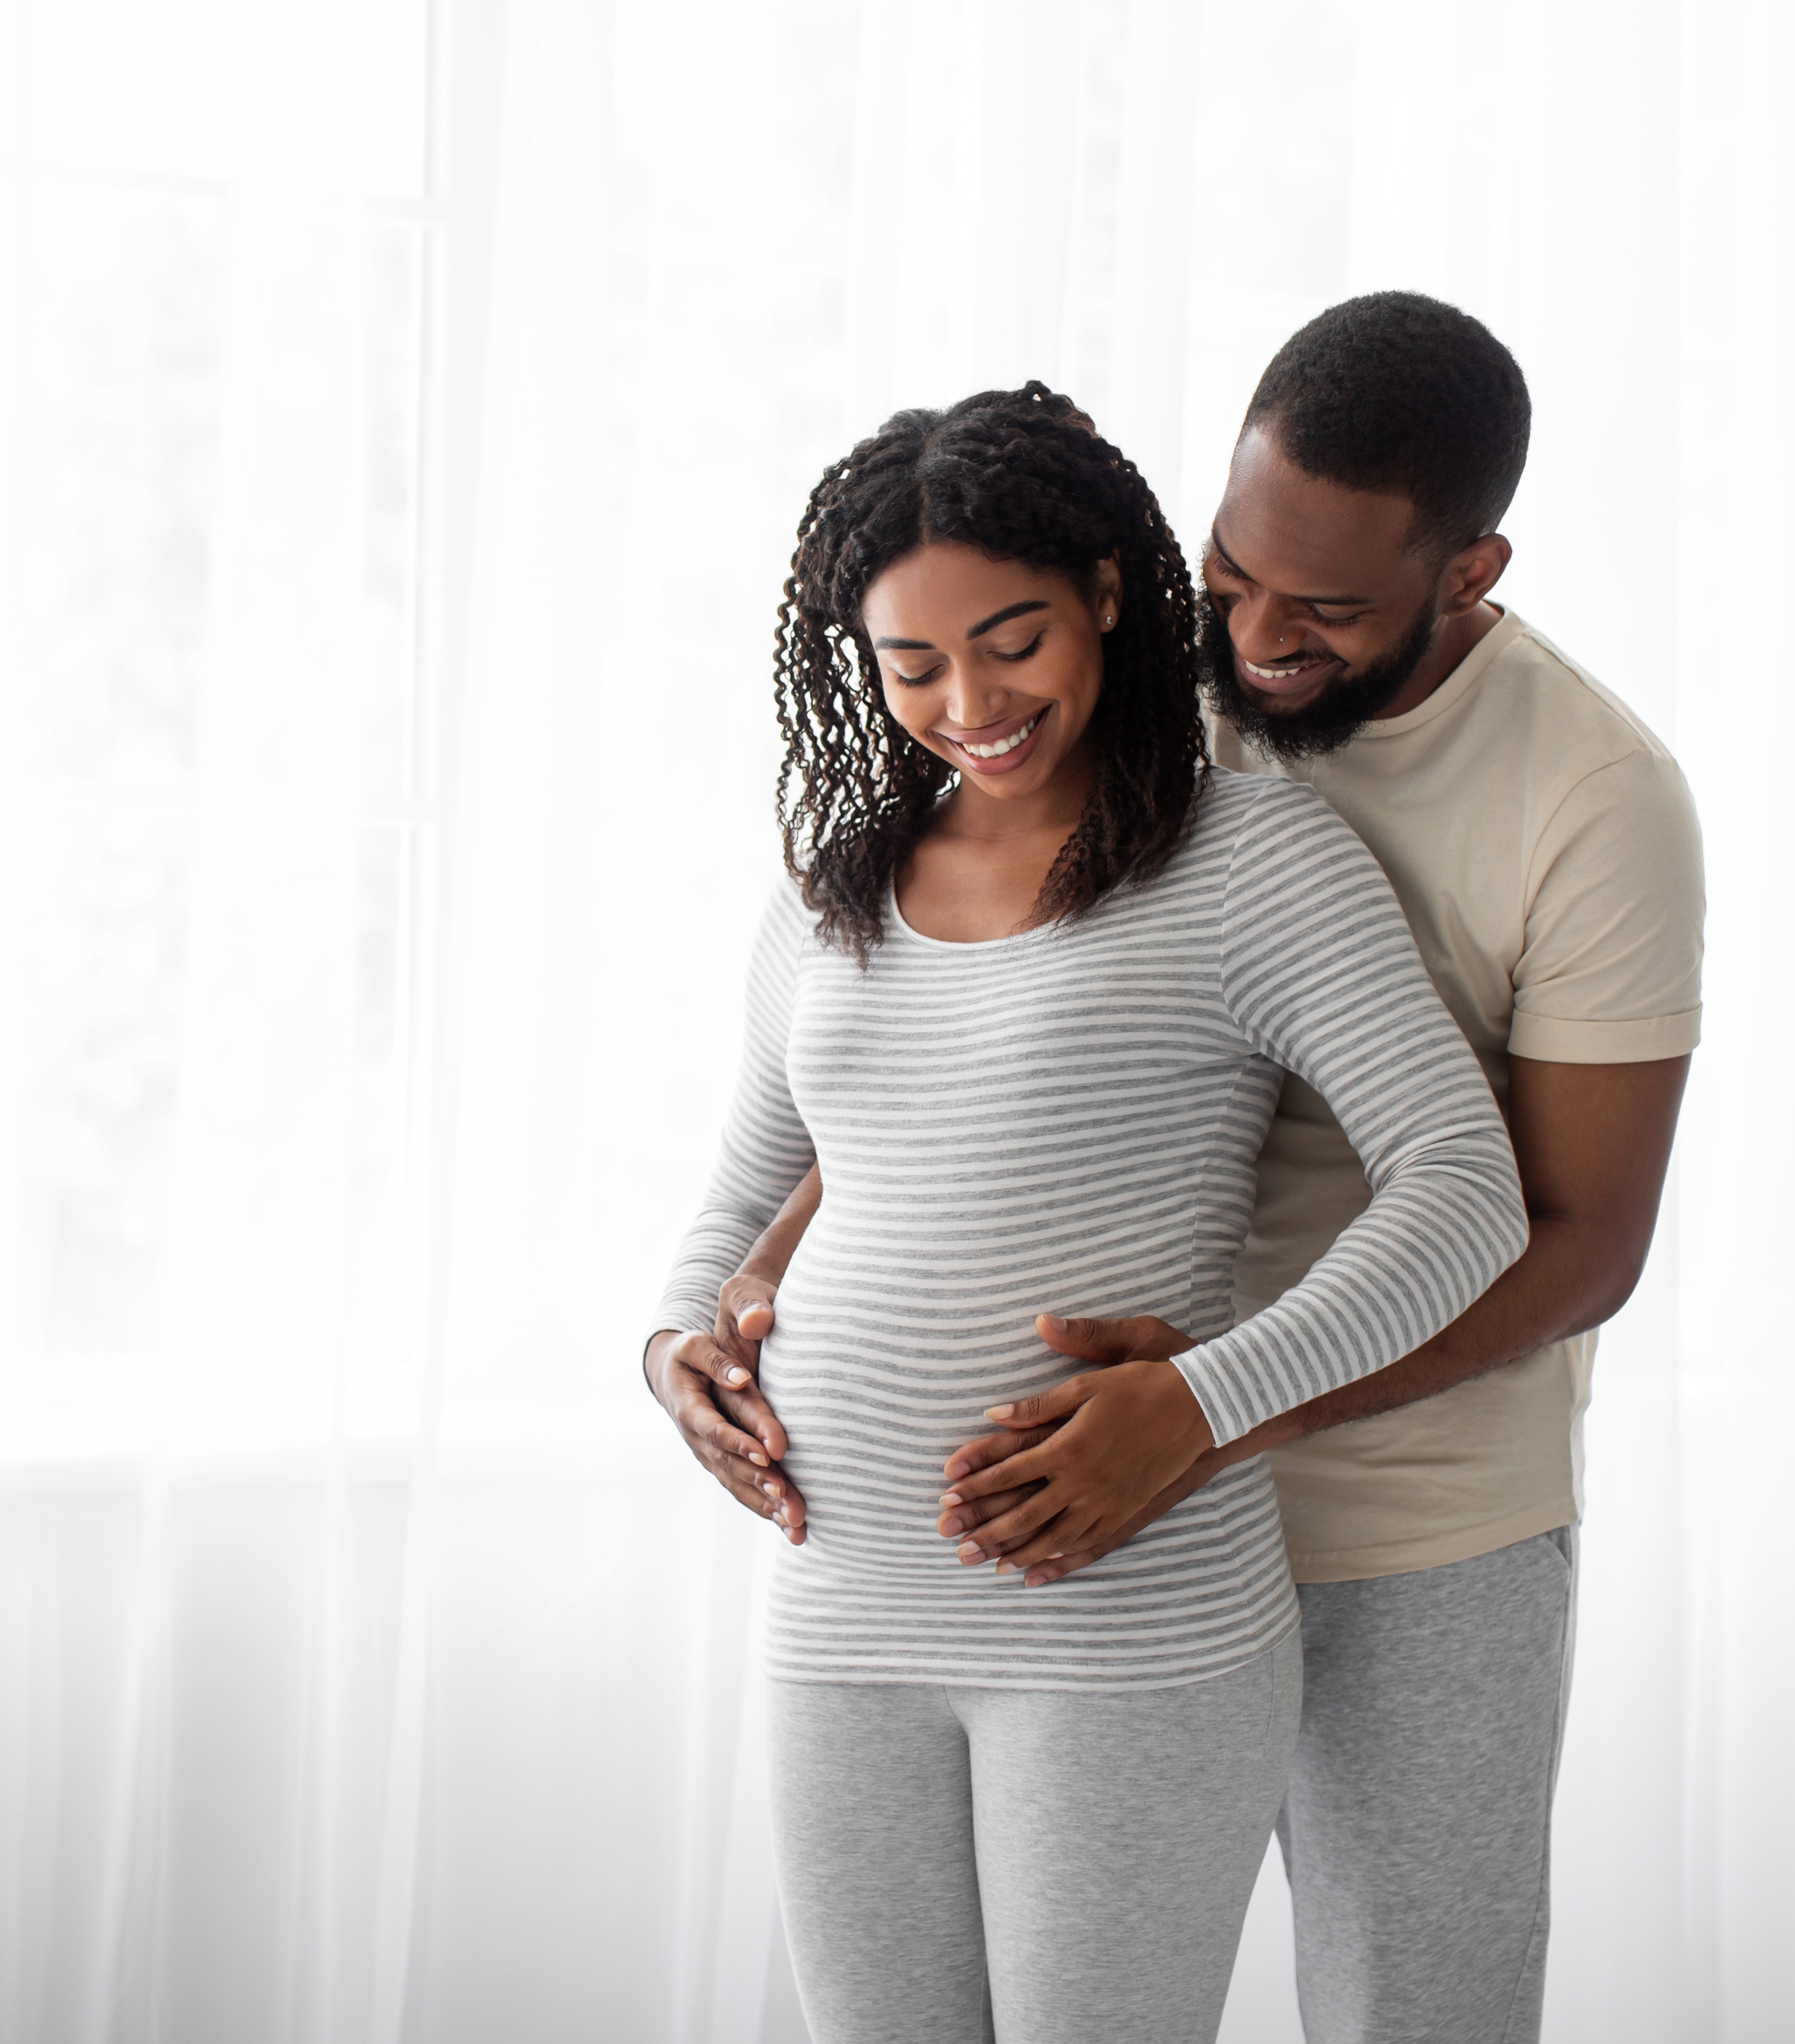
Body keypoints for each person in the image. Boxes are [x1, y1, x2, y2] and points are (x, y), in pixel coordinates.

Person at [698, 296, 1704, 2043]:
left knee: (1417, 2005)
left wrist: (1212, 1415)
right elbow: (957, 1060)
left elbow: (1576, 1236)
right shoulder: (1145, 685)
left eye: (1320, 610)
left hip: (1410, 1498)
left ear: (1469, 575)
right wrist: (751, 1283)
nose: (1251, 635)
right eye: (1229, 575)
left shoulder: (1592, 795)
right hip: (1052, 1522)